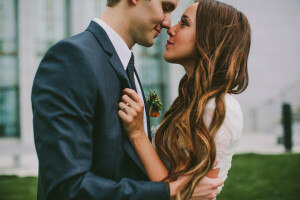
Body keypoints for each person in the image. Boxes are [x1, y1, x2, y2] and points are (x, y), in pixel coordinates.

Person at [31, 0, 224, 199]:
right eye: (165, 7)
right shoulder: (71, 58)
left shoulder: (125, 65)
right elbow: (66, 187)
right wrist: (169, 192)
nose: (168, 23)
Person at [118, 0, 251, 199]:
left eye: (184, 23)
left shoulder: (218, 108)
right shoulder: (190, 100)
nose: (170, 29)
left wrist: (137, 133)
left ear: (209, 38)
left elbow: (181, 194)